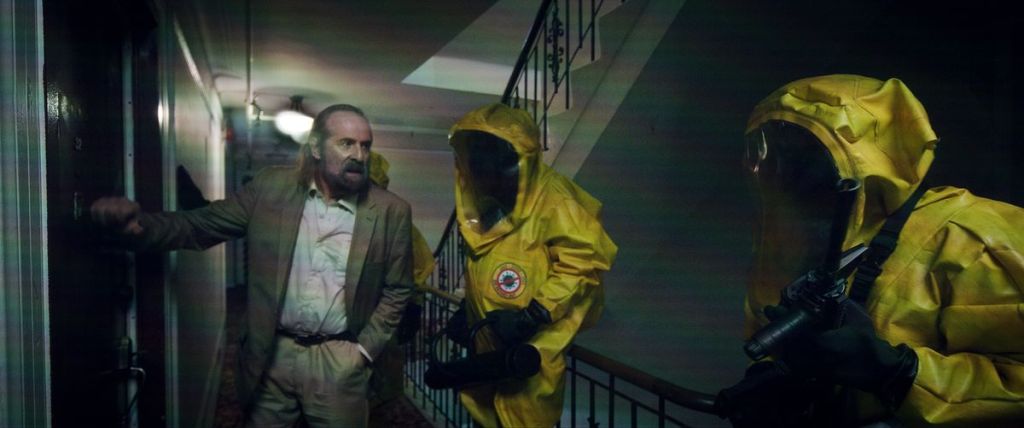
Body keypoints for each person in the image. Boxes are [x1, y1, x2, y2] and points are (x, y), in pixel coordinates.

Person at [723, 74, 1024, 426]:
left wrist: (896, 371)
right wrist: (774, 378)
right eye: (773, 154)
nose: (784, 172)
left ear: (864, 157)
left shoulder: (971, 239)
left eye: (803, 154)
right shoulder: (810, 243)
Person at [91, 104, 414, 427]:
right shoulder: (270, 189)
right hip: (272, 355)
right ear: (316, 147)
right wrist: (139, 227)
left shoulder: (391, 211)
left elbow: (398, 289)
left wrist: (363, 352)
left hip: (339, 361)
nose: (359, 155)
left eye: (366, 145)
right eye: (346, 143)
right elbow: (199, 225)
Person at [446, 103, 618, 427]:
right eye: (475, 154)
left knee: (523, 415)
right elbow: (489, 261)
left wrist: (533, 315)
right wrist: (469, 311)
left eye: (489, 153)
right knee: (486, 412)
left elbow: (583, 263)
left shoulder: (555, 199)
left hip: (530, 352)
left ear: (513, 157)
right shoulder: (492, 203)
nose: (480, 165)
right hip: (490, 348)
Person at [363, 151, 436, 425]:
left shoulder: (397, 221)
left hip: (384, 319)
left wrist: (414, 307)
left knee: (382, 387)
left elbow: (419, 265)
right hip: (345, 324)